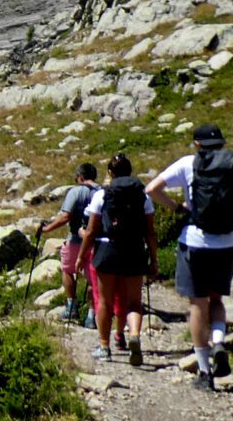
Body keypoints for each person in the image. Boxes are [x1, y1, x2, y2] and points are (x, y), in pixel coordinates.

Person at [146, 123, 233, 392]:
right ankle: (220, 341)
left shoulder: (187, 163)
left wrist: (178, 207)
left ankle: (203, 369)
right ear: (222, 143)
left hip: (196, 242)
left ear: (197, 144)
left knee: (197, 305)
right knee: (217, 299)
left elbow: (152, 189)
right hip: (228, 242)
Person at [80, 153, 157, 366]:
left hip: (107, 249)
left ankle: (104, 346)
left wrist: (82, 256)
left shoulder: (102, 195)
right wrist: (154, 259)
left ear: (110, 173)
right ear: (130, 171)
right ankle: (133, 335)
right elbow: (150, 232)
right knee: (133, 301)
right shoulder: (144, 196)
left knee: (104, 301)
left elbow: (91, 230)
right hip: (134, 249)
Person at [37, 162, 99, 325]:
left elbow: (65, 217)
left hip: (75, 240)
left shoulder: (75, 192)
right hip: (95, 242)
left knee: (68, 270)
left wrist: (47, 229)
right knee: (93, 279)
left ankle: (71, 307)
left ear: (80, 177)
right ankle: (92, 315)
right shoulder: (102, 192)